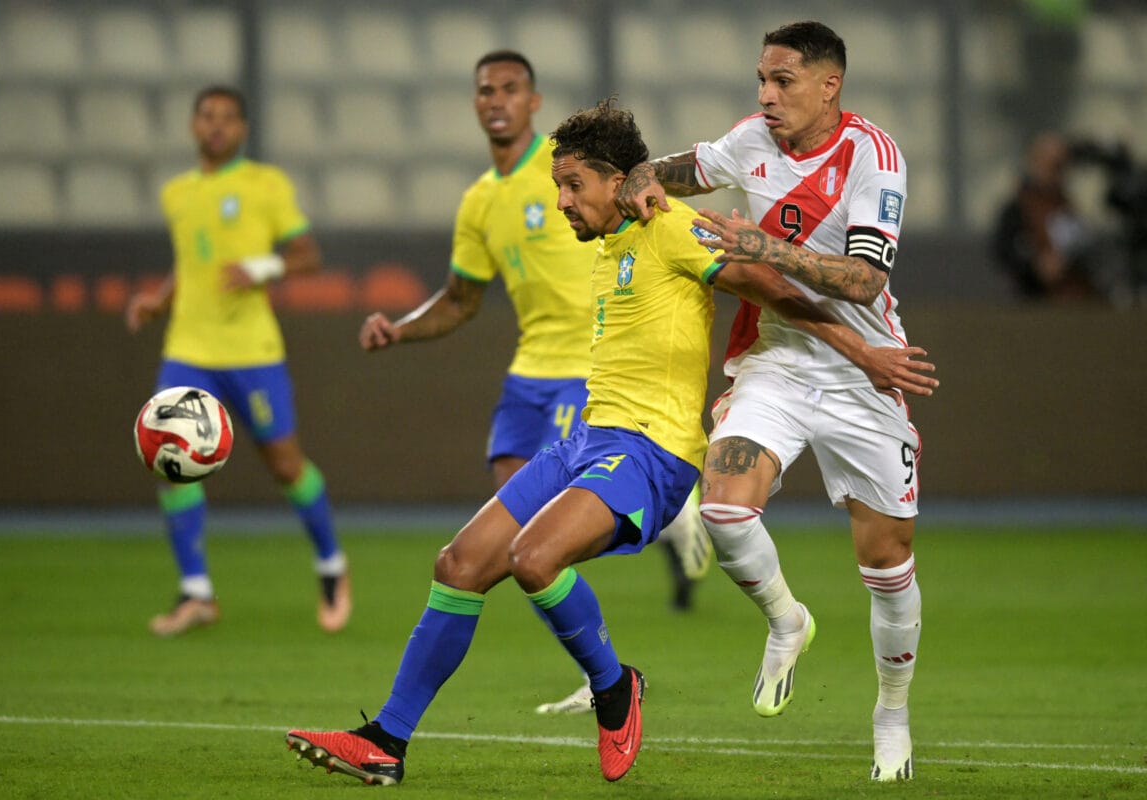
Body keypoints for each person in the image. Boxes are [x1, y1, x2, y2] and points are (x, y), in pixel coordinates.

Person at [285, 98, 936, 787]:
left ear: (618, 182)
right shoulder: (606, 245)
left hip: (654, 452)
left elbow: (773, 289)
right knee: (459, 564)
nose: (563, 202)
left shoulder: (673, 229)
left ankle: (614, 687)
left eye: (573, 187)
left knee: (534, 559)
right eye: (557, 188)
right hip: (587, 439)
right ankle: (387, 739)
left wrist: (861, 351)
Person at [616, 20, 939, 782]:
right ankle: (786, 619)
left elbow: (865, 281)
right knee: (725, 507)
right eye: (761, 79)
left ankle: (891, 710)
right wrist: (637, 178)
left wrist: (760, 246)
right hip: (776, 361)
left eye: (783, 81)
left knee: (887, 563)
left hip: (866, 373)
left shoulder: (873, 156)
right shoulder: (748, 142)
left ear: (830, 85)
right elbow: (674, 166)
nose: (766, 95)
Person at [357, 50, 713, 715]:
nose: (496, 99)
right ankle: (596, 659)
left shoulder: (576, 174)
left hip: (595, 378)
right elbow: (461, 299)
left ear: (533, 101)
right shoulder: (480, 202)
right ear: (474, 103)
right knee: (487, 555)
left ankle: (607, 667)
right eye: (485, 89)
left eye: (510, 88)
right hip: (527, 377)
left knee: (538, 549)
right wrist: (400, 328)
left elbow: (658, 206)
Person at [125, 86, 351, 637]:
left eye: (228, 118)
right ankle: (196, 592)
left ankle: (331, 565)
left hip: (252, 351)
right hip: (188, 350)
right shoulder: (177, 193)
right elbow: (193, 263)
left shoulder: (265, 185)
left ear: (243, 129)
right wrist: (160, 297)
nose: (217, 126)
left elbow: (307, 255)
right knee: (169, 459)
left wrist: (263, 268)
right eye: (208, 117)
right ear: (193, 126)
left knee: (284, 465)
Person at [992, 131, 1100, 301]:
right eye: (1052, 165)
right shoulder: (1018, 207)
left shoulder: (1066, 206)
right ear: (1036, 162)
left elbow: (1081, 244)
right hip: (1036, 297)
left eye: (1062, 166)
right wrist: (1036, 267)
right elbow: (1004, 250)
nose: (1058, 173)